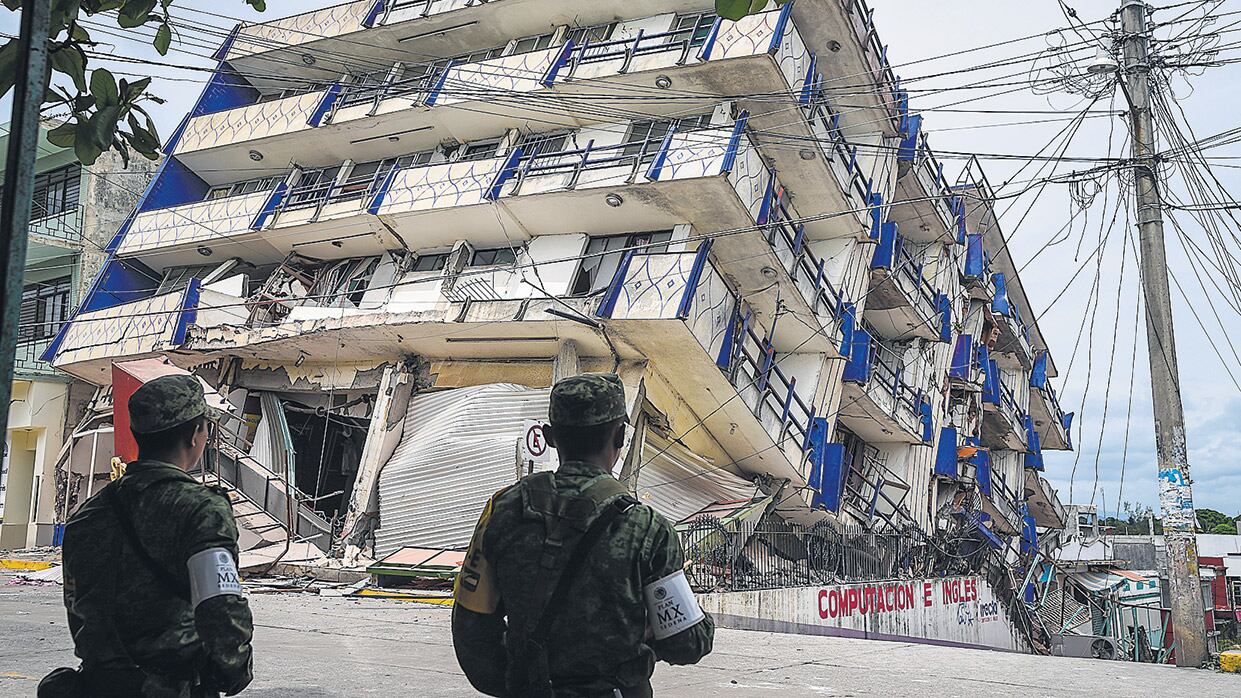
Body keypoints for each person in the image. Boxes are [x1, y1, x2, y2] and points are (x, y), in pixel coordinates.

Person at [452, 373, 714, 697]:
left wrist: (520, 683)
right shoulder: (648, 528)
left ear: (549, 436)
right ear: (620, 436)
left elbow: (471, 630)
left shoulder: (503, 510)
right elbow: (687, 643)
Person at [41, 374, 254, 698]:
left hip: (96, 684)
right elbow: (220, 606)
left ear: (139, 434)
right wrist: (233, 672)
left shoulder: (88, 515)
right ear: (197, 434)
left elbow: (78, 605)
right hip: (170, 687)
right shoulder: (201, 509)